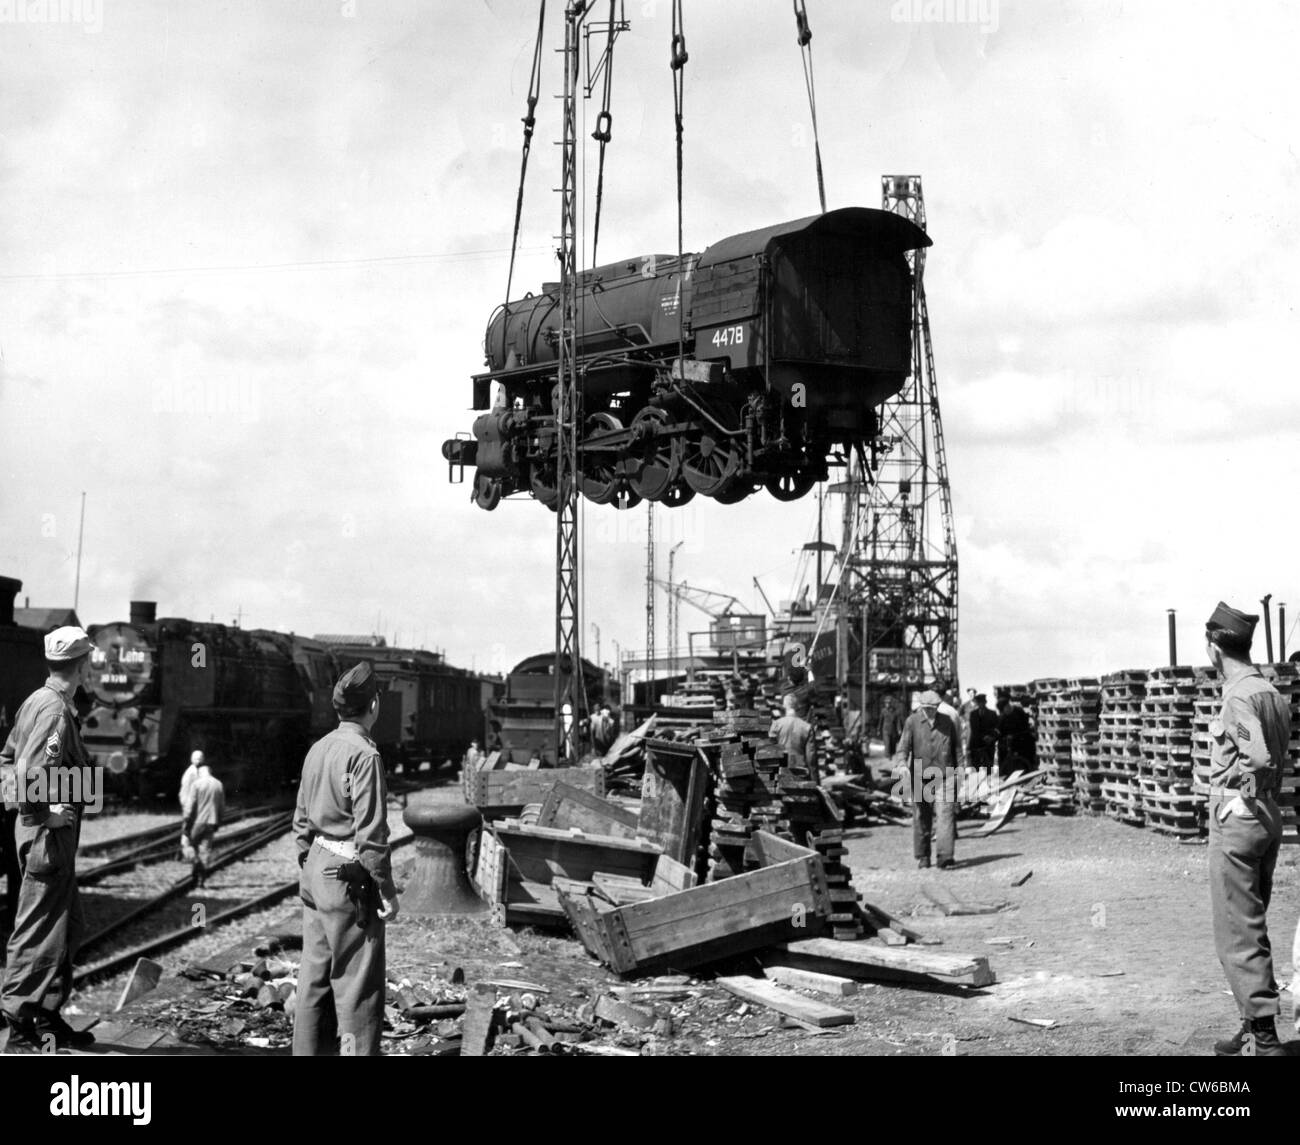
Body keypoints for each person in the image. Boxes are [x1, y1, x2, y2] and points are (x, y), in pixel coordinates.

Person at [292, 662, 399, 1057]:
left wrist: (312, 863)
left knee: (314, 978)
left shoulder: (317, 749)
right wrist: (386, 891)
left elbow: (301, 822)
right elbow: (372, 836)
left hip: (316, 868)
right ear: (373, 704)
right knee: (357, 987)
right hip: (349, 876)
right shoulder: (364, 756)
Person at [0, 627, 96, 1049]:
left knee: (66, 928)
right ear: (82, 663)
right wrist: (41, 814)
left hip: (44, 834)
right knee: (39, 929)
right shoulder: (55, 710)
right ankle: (20, 1024)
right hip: (47, 837)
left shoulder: (38, 701)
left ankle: (46, 1015)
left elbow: (6, 759)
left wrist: (25, 813)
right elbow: (27, 771)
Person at [1202, 602, 1291, 1057]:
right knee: (1249, 924)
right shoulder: (1270, 691)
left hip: (1241, 819)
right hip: (1267, 817)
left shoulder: (1237, 694)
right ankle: (1251, 1022)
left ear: (1215, 646)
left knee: (1237, 930)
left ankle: (1266, 1037)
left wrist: (1241, 798)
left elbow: (1257, 759)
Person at [893, 689, 959, 870]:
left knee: (945, 815)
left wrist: (962, 770)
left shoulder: (947, 722)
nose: (930, 711)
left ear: (938, 706)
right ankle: (923, 855)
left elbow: (957, 748)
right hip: (919, 776)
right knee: (922, 817)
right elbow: (903, 748)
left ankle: (945, 856)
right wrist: (902, 764)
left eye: (933, 708)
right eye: (927, 708)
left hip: (945, 775)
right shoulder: (912, 722)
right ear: (921, 707)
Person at [182, 758, 225, 889]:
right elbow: (222, 807)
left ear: (200, 773)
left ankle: (196, 865)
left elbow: (190, 806)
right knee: (205, 850)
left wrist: (186, 823)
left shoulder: (197, 784)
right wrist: (219, 821)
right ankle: (200, 879)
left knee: (188, 845)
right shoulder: (218, 784)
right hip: (212, 822)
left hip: (198, 822)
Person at [770, 694, 817, 780]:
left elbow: (770, 751)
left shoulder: (776, 725)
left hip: (781, 772)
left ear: (784, 706)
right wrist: (815, 782)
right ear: (797, 706)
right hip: (801, 771)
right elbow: (811, 758)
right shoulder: (807, 727)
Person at [996, 692, 1035, 774]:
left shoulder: (1019, 711)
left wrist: (1017, 735)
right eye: (1003, 711)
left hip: (1022, 739)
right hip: (1010, 742)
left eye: (1006, 708)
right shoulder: (1002, 717)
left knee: (1027, 752)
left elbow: (1025, 726)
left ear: (1007, 706)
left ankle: (1028, 771)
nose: (1005, 711)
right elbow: (1000, 731)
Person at [968, 693, 1000, 770]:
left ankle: (989, 780)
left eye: (982, 702)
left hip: (989, 745)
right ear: (977, 703)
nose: (981, 704)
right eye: (979, 702)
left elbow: (996, 728)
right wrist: (983, 737)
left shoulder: (992, 713)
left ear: (985, 702)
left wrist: (991, 737)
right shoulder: (973, 714)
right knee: (976, 768)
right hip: (976, 744)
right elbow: (974, 729)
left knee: (989, 767)